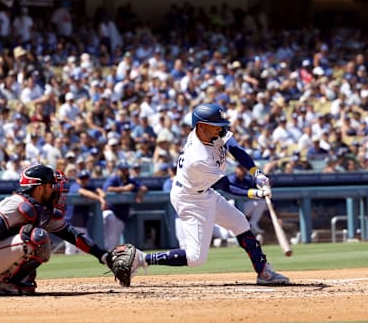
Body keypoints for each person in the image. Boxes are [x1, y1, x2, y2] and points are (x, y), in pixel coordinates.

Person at [134, 103, 289, 285]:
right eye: (215, 125)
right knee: (195, 258)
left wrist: (256, 172)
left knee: (240, 223)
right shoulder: (198, 157)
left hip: (204, 191)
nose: (220, 128)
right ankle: (143, 259)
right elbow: (226, 186)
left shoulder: (211, 132)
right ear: (201, 126)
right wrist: (256, 193)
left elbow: (236, 149)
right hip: (189, 198)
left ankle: (264, 273)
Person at [0, 164, 117, 296]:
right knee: (37, 238)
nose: (55, 190)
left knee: (35, 237)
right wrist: (22, 231)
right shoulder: (17, 202)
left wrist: (103, 255)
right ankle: (0, 283)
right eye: (51, 186)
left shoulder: (41, 209)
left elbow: (72, 235)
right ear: (39, 188)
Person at [101, 161, 148, 250]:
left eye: (126, 169)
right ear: (118, 170)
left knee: (115, 241)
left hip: (122, 214)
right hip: (112, 211)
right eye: (122, 169)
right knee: (111, 240)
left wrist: (140, 193)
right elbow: (106, 189)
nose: (124, 171)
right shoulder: (114, 178)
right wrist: (124, 189)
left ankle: (110, 256)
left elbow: (143, 187)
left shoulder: (130, 179)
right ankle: (108, 256)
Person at [64, 169, 106, 255]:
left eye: (86, 178)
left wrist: (100, 193)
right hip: (70, 225)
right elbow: (83, 192)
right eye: (81, 178)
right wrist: (100, 199)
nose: (84, 180)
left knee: (84, 250)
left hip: (82, 224)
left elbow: (99, 190)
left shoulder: (88, 186)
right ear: (77, 179)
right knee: (70, 251)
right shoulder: (75, 186)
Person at [228, 164, 268, 235]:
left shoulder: (246, 180)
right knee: (231, 202)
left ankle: (253, 223)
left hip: (244, 206)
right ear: (236, 169)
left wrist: (264, 184)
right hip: (231, 208)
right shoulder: (232, 178)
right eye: (240, 168)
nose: (242, 170)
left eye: (243, 168)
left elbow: (256, 186)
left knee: (261, 202)